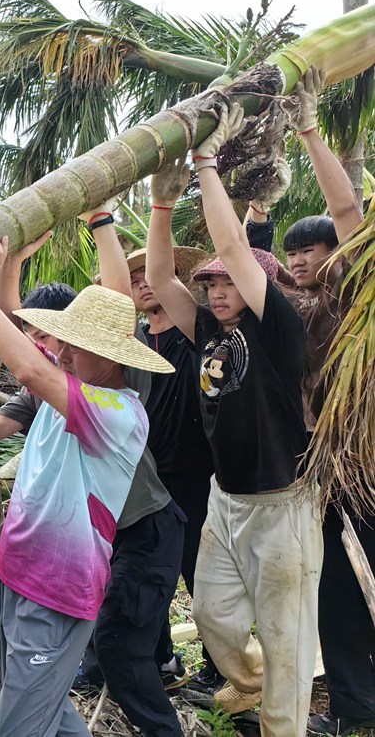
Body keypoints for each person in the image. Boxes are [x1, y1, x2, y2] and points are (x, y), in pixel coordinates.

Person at [145, 102, 321, 735]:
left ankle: (283, 725)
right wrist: (161, 206)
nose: (217, 291)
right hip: (227, 502)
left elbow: (230, 245)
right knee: (215, 618)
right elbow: (161, 276)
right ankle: (247, 685)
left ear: (256, 287)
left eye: (228, 283)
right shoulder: (206, 335)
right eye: (210, 285)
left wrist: (205, 162)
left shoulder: (278, 333)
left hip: (282, 507)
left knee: (287, 639)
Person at [0, 231, 174, 737]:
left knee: (19, 726)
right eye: (62, 341)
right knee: (51, 713)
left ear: (112, 356)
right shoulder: (69, 394)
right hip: (19, 573)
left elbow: (29, 366)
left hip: (55, 591)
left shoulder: (117, 412)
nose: (60, 352)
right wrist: (8, 266)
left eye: (75, 345)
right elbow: (22, 340)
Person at [269, 68, 372, 736]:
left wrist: (307, 128)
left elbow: (348, 215)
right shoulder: (292, 310)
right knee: (333, 585)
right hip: (319, 469)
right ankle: (354, 706)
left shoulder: (355, 290)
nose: (300, 259)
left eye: (310, 249)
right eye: (292, 251)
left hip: (365, 460)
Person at [144, 161, 231, 694]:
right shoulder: (133, 343)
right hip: (151, 478)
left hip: (198, 475)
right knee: (154, 574)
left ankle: (223, 669)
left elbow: (163, 281)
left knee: (204, 576)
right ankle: (161, 662)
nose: (144, 286)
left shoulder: (196, 336)